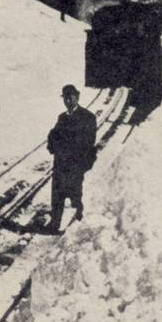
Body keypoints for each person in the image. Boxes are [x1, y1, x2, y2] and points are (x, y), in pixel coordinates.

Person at [46, 84, 97, 233]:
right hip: (61, 163)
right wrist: (53, 146)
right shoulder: (62, 117)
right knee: (57, 195)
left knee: (75, 194)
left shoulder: (88, 117)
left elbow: (88, 141)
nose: (68, 100)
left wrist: (80, 161)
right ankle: (54, 224)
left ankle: (77, 225)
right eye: (65, 97)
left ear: (77, 97)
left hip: (76, 163)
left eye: (71, 97)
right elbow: (53, 135)